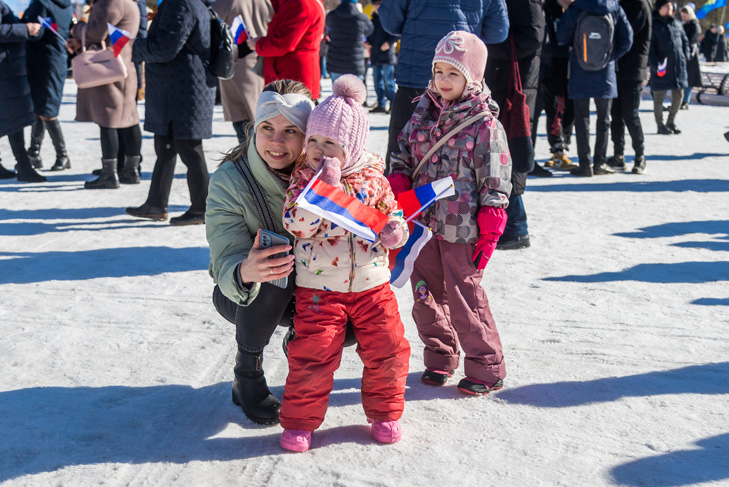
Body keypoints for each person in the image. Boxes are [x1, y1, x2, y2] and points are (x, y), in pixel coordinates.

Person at [279, 75, 410, 452]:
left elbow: (393, 216)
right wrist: (323, 191)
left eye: (330, 143)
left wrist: (394, 232)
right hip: (320, 289)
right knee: (313, 355)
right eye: (313, 141)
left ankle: (386, 413)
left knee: (389, 348)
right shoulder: (305, 177)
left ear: (351, 146)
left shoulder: (374, 177)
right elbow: (296, 224)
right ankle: (300, 422)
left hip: (372, 286)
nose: (319, 150)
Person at [389, 32, 511, 398]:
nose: (442, 80)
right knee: (425, 294)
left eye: (452, 73)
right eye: (438, 71)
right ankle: (440, 357)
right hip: (423, 223)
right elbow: (403, 154)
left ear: (472, 77)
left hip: (463, 228)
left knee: (464, 297)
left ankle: (486, 365)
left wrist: (491, 222)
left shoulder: (484, 124)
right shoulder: (422, 113)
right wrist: (397, 180)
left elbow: (496, 175)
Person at [206, 79, 314, 426]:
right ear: (254, 128)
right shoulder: (230, 181)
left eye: (290, 131)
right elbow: (224, 258)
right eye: (267, 128)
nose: (277, 141)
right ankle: (246, 374)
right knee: (273, 261)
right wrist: (244, 270)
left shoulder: (326, 174)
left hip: (308, 289)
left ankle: (301, 342)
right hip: (244, 295)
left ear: (307, 137)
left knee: (356, 321)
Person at [379, 0, 509, 172]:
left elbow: (390, 22)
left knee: (402, 161)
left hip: (415, 77)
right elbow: (497, 31)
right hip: (461, 83)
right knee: (456, 166)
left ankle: (399, 197)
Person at [126, 0, 217, 225]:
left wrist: (133, 46)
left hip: (182, 89)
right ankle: (156, 204)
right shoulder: (190, 3)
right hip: (180, 88)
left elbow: (166, 48)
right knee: (165, 146)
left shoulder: (180, 3)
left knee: (190, 148)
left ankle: (201, 208)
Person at [485, 0, 545, 250]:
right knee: (499, 155)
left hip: (514, 88)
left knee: (509, 154)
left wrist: (488, 46)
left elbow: (532, 36)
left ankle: (517, 228)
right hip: (504, 81)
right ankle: (508, 227)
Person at [66, 0, 142, 189]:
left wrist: (77, 28)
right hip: (125, 64)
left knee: (107, 119)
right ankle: (130, 169)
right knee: (129, 119)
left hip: (107, 68)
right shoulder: (131, 3)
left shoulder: (110, 2)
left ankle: (110, 173)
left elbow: (96, 32)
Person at [556, 0, 633, 177]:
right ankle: (600, 163)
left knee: (582, 119)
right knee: (604, 120)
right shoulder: (615, 8)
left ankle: (585, 164)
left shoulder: (577, 7)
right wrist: (610, 57)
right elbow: (627, 39)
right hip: (606, 73)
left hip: (579, 70)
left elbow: (562, 36)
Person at [22, 0, 73, 172]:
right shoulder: (66, 4)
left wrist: (21, 24)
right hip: (57, 58)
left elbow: (37, 33)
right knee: (41, 108)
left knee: (47, 111)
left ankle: (63, 155)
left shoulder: (41, 3)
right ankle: (34, 153)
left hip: (42, 61)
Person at [213, 0, 272, 142]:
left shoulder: (228, 2)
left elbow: (211, 20)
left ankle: (250, 160)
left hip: (238, 61)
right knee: (261, 116)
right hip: (264, 57)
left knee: (243, 119)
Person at [0, 0, 45, 182]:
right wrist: (25, 30)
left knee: (12, 117)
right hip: (5, 70)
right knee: (14, 117)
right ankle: (24, 166)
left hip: (8, 69)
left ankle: (23, 165)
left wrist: (32, 30)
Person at [244, 0, 325, 100]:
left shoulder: (299, 3)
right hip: (292, 72)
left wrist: (258, 45)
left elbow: (283, 43)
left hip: (292, 74)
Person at [607, 0, 651, 175]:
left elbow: (625, 33)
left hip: (632, 68)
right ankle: (618, 156)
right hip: (618, 67)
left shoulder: (638, 4)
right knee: (616, 114)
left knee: (630, 114)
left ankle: (640, 157)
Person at [537, 0, 578, 172]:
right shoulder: (547, 9)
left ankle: (563, 147)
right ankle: (557, 150)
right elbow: (544, 44)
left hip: (573, 69)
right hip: (551, 68)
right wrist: (565, 49)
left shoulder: (575, 9)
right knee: (556, 108)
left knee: (570, 109)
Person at [648, 0, 689, 136]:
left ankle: (670, 122)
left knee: (679, 96)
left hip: (678, 67)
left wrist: (685, 55)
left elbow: (685, 41)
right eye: (666, 5)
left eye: (670, 6)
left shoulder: (677, 24)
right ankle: (660, 124)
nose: (669, 8)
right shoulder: (653, 24)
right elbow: (650, 48)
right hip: (662, 67)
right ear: (659, 8)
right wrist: (655, 65)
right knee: (659, 97)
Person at [324, 0, 373, 82]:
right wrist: (360, 12)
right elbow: (369, 31)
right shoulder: (361, 17)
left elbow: (328, 26)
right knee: (355, 93)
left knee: (338, 93)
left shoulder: (332, 15)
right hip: (355, 63)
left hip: (336, 62)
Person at [366, 0, 398, 113]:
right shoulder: (371, 21)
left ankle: (393, 104)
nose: (377, 8)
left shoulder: (390, 19)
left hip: (387, 56)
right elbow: (368, 35)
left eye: (379, 5)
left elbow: (397, 34)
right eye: (375, 5)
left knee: (389, 82)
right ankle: (381, 104)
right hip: (375, 55)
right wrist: (367, 43)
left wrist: (388, 43)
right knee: (377, 81)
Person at [679, 5, 702, 110]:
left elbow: (692, 40)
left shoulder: (694, 25)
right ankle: (680, 101)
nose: (683, 17)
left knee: (689, 80)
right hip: (682, 54)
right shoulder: (682, 25)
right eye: (682, 15)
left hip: (690, 56)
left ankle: (685, 101)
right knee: (682, 79)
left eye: (685, 15)